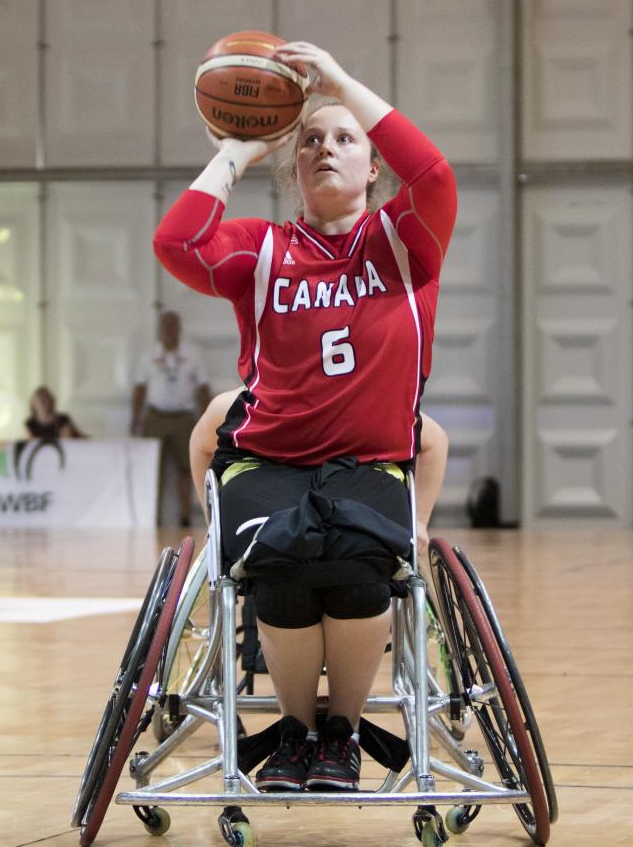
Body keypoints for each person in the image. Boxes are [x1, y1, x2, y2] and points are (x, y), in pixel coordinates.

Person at [153, 41, 456, 792]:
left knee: (359, 574)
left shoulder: (405, 243)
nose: (326, 148)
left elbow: (436, 174)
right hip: (270, 463)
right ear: (293, 172)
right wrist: (238, 150)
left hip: (369, 463)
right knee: (279, 574)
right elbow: (176, 241)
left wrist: (342, 86)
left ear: (372, 167)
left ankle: (342, 736)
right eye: (312, 141)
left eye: (345, 139)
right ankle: (293, 733)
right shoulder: (262, 250)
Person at [189, 387, 449, 544]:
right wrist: (215, 522)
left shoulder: (367, 401)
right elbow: (201, 446)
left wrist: (419, 523)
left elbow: (435, 441)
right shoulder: (235, 405)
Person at [131, 311, 211, 527]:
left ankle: (185, 516)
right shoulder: (148, 355)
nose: (169, 330)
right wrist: (135, 419)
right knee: (153, 468)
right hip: (156, 416)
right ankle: (152, 516)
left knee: (187, 468)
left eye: (173, 325)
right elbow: (140, 388)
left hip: (184, 417)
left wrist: (207, 418)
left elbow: (203, 387)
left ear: (179, 328)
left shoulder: (192, 354)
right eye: (166, 326)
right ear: (160, 329)